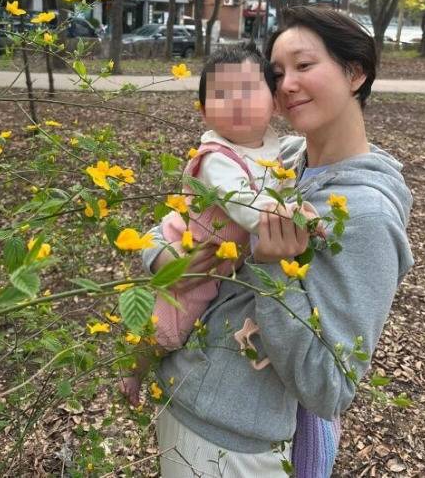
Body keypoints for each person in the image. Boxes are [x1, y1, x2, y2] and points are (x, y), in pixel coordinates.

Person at [141, 6, 414, 477]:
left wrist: (272, 270)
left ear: (355, 73)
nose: (286, 84)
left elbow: (329, 387)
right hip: (183, 396)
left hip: (233, 443)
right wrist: (167, 259)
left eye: (304, 65)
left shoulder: (367, 216)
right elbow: (179, 218)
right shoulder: (278, 158)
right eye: (277, 73)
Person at [119, 42, 318, 407]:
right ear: (204, 112)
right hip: (195, 250)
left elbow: (281, 189)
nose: (237, 102)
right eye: (222, 95)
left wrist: (297, 208)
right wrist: (294, 218)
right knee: (168, 326)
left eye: (248, 91)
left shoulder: (273, 150)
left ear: (274, 103)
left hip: (223, 255)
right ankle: (134, 370)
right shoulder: (216, 158)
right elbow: (243, 205)